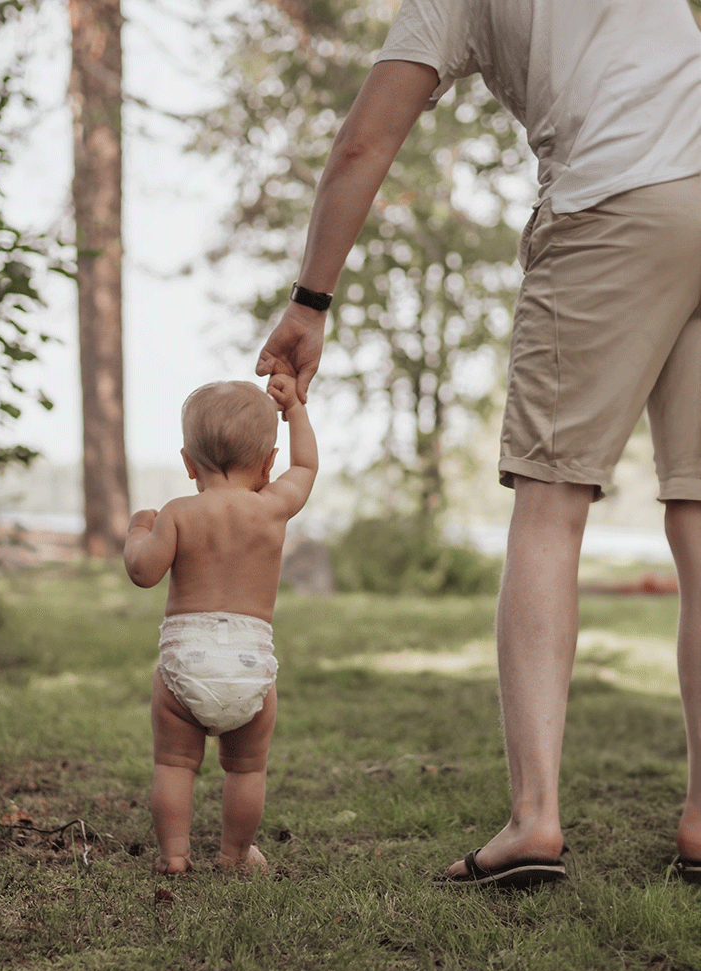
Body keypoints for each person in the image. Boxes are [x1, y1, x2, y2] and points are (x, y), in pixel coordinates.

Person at [256, 0, 701, 887]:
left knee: (550, 504)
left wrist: (310, 302)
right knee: (698, 511)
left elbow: (363, 144)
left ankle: (535, 819)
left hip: (613, 202)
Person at [124, 375, 318, 873]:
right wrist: (295, 409)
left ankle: (174, 854)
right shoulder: (273, 507)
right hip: (250, 663)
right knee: (247, 769)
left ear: (189, 463)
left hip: (186, 659)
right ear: (268, 464)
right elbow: (306, 466)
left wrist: (139, 529)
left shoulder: (178, 513)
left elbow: (143, 572)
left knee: (174, 763)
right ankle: (235, 855)